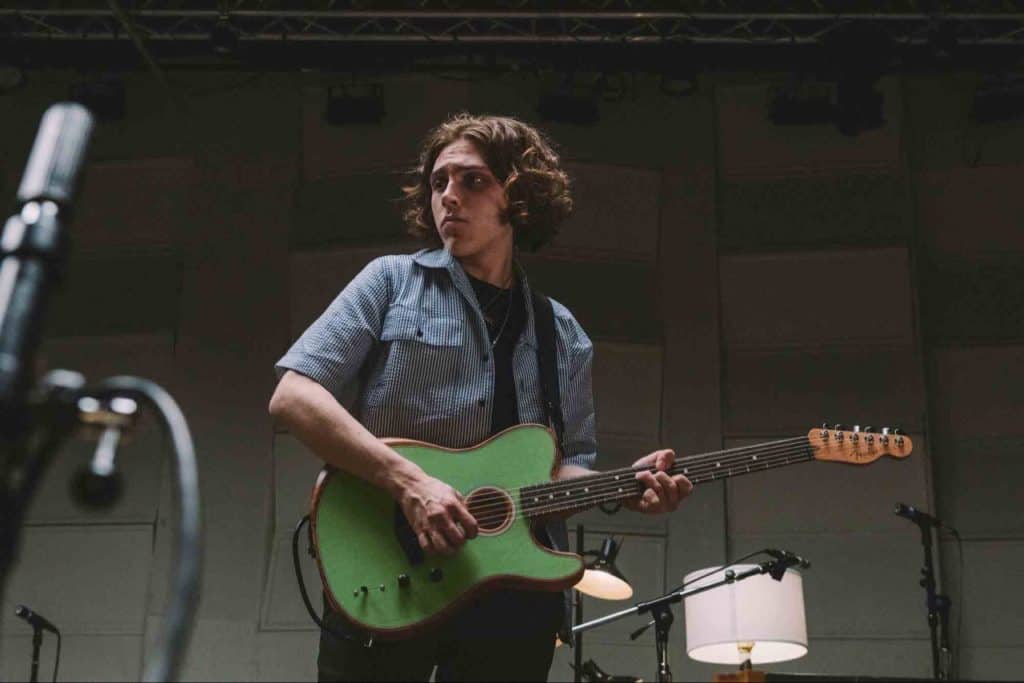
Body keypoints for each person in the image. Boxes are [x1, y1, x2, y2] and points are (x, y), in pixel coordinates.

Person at [268, 113, 692, 682]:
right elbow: (293, 396)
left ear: (518, 197)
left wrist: (624, 487)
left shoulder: (560, 333)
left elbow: (560, 474)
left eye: (472, 181)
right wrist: (411, 483)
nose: (448, 197)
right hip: (388, 561)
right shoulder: (390, 282)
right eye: (438, 182)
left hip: (513, 594)